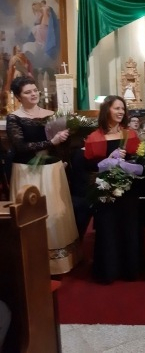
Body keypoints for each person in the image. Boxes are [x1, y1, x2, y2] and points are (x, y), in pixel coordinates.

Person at [6, 76, 79, 275]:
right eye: (27, 92)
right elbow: (20, 146)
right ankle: (33, 262)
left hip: (52, 170)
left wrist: (65, 141)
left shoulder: (51, 114)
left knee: (55, 213)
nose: (33, 94)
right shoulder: (14, 118)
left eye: (35, 90)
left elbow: (62, 143)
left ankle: (59, 261)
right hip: (27, 172)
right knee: (33, 216)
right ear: (18, 97)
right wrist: (51, 142)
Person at [84, 95, 142, 284]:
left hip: (128, 189)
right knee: (108, 227)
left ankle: (129, 269)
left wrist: (129, 163)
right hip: (106, 189)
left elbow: (139, 159)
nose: (121, 112)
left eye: (123, 109)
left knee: (128, 227)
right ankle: (108, 270)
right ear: (106, 110)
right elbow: (89, 165)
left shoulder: (129, 134)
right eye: (117, 108)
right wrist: (108, 159)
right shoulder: (94, 137)